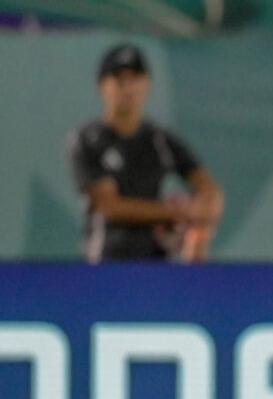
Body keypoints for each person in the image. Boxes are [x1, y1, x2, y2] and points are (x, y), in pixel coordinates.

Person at [68, 43, 223, 263]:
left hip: (156, 265)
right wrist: (175, 213)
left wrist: (200, 224)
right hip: (105, 262)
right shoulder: (87, 139)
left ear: (147, 83)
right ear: (102, 85)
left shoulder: (162, 140)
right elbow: (110, 206)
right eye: (119, 79)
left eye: (135, 78)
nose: (128, 87)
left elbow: (210, 191)